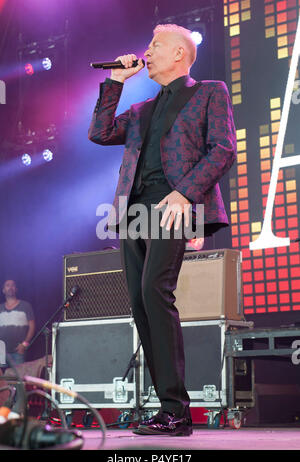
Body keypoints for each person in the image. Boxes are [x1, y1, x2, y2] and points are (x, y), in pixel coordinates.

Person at [89, 24, 237, 436]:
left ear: (178, 54)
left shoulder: (210, 91)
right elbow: (99, 132)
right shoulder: (141, 111)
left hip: (174, 205)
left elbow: (223, 149)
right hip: (133, 210)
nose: (147, 52)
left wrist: (186, 194)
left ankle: (176, 410)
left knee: (156, 290)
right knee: (140, 302)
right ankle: (166, 408)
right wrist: (115, 82)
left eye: (155, 46)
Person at [0, 279, 35, 367]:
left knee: (18, 379)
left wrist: (24, 344)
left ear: (16, 289)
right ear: (3, 290)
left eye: (13, 285)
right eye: (7, 285)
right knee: (2, 380)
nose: (10, 287)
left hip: (18, 353)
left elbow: (32, 327)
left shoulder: (25, 306)